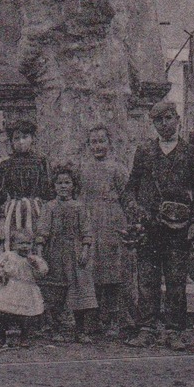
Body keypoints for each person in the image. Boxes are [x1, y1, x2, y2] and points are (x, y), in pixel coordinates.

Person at [124, 101, 194, 350]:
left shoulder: (191, 153)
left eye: (169, 118)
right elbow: (131, 188)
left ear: (177, 118)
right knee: (147, 279)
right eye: (159, 120)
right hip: (149, 227)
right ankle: (146, 328)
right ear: (153, 124)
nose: (164, 124)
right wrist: (135, 210)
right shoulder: (144, 151)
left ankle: (175, 331)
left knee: (175, 279)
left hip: (178, 228)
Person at [80, 124, 134, 338]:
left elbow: (127, 197)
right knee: (92, 272)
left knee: (114, 272)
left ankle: (117, 320)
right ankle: (95, 319)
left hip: (112, 222)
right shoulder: (83, 169)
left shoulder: (117, 168)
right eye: (94, 142)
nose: (98, 146)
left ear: (109, 143)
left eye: (102, 141)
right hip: (91, 222)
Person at [40, 165, 98, 341]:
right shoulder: (49, 207)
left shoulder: (79, 207)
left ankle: (80, 331)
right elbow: (43, 231)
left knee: (78, 289)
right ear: (54, 186)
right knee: (55, 292)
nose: (63, 186)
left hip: (74, 253)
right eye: (59, 183)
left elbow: (87, 232)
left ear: (74, 185)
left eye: (67, 182)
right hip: (55, 252)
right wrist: (40, 252)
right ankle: (55, 329)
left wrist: (85, 250)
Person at [0, 209, 47, 348]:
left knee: (25, 316)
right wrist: (2, 272)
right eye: (21, 243)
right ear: (13, 244)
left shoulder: (33, 259)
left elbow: (42, 272)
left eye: (28, 243)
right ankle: (1, 336)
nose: (25, 247)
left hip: (27, 289)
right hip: (11, 288)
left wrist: (36, 266)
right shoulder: (8, 256)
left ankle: (23, 337)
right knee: (5, 314)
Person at [0, 118, 52, 235]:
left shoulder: (41, 162)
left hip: (37, 212)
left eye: (25, 137)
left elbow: (49, 192)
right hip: (13, 213)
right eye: (16, 138)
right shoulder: (6, 165)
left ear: (32, 139)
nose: (21, 142)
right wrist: (1, 218)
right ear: (11, 141)